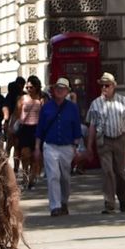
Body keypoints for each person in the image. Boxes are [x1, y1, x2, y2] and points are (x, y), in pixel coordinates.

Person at [36, 77, 84, 217]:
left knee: (65, 178)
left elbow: (77, 129)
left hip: (67, 146)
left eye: (62, 88)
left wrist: (77, 147)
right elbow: (40, 129)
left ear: (67, 91)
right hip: (50, 145)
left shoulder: (72, 108)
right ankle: (55, 206)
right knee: (53, 176)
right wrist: (37, 148)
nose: (59, 90)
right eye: (57, 88)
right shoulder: (46, 107)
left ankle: (64, 201)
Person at [86, 73, 125, 214]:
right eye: (102, 85)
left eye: (107, 85)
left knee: (120, 172)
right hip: (103, 140)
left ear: (113, 86)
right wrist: (89, 145)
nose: (104, 88)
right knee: (107, 172)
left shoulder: (124, 101)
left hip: (120, 139)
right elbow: (92, 126)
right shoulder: (96, 103)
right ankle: (109, 203)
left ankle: (122, 198)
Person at [13, 81, 44, 192]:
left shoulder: (41, 100)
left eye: (31, 87)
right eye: (27, 87)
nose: (29, 89)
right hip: (25, 128)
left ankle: (32, 179)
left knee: (35, 157)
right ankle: (25, 177)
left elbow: (44, 116)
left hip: (36, 129)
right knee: (25, 154)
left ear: (36, 87)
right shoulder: (22, 98)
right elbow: (17, 113)